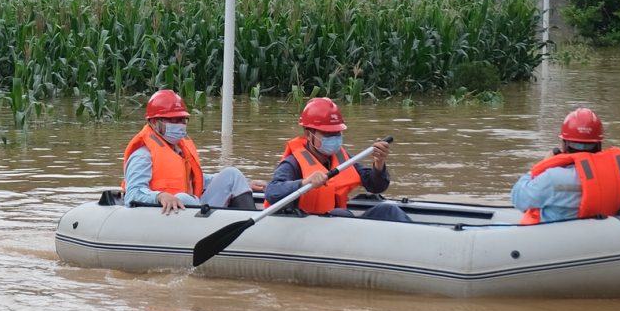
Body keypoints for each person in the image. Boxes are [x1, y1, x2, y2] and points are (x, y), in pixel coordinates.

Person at [265, 97, 411, 221]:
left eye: (337, 133)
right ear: (309, 135)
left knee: (389, 210)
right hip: (308, 225)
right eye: (327, 134)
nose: (334, 138)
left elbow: (376, 187)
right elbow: (272, 192)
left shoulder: (342, 158)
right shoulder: (293, 163)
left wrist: (378, 163)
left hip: (339, 223)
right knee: (341, 214)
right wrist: (305, 182)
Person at [122, 90, 255, 214]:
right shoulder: (142, 156)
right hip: (165, 213)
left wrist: (243, 184)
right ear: (154, 122)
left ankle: (251, 227)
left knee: (232, 175)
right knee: (182, 198)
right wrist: (160, 196)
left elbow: (197, 180)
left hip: (192, 208)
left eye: (182, 120)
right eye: (174, 120)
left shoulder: (179, 153)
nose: (180, 125)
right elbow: (132, 193)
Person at [510, 107, 620, 224]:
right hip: (602, 239)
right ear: (599, 145)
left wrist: (543, 165)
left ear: (564, 145)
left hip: (554, 241)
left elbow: (518, 199)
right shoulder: (617, 179)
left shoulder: (552, 177)